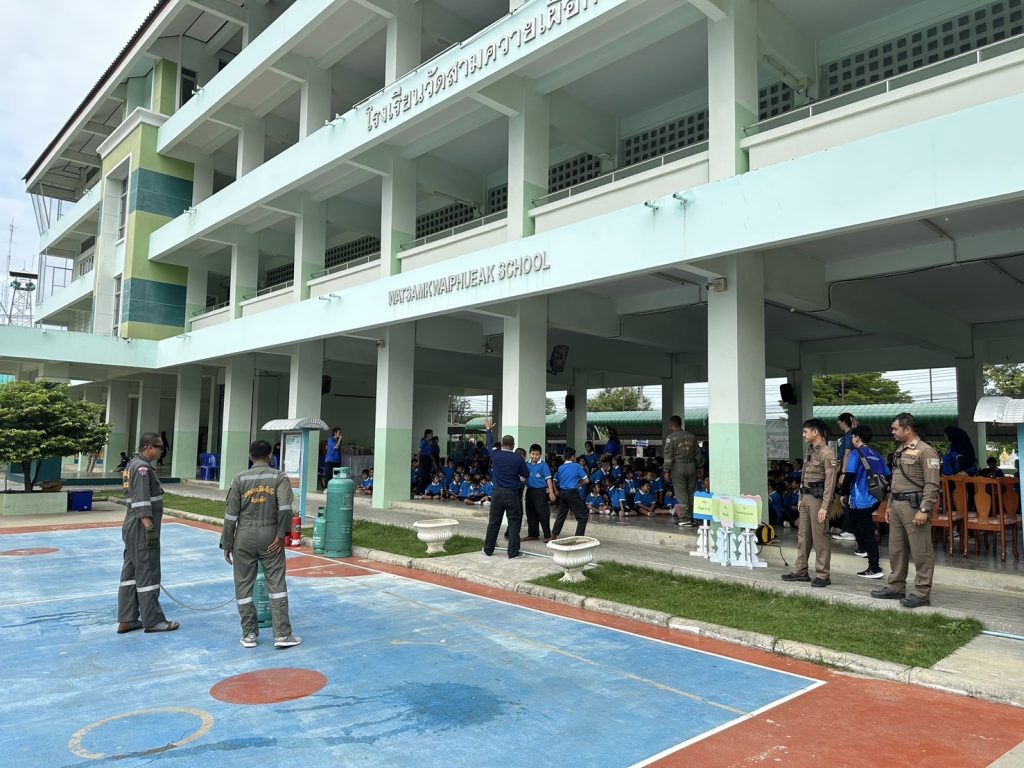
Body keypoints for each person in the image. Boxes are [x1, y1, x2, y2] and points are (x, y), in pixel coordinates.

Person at [221, 440, 301, 648]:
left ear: (250, 456)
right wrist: (281, 535)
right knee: (277, 585)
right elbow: (285, 508)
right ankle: (282, 635)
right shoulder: (279, 477)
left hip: (243, 536)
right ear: (270, 455)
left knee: (243, 586)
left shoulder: (239, 479)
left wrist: (227, 542)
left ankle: (249, 634)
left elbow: (231, 515)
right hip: (270, 535)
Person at [872, 413, 940, 608]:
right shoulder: (900, 450)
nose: (892, 432)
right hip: (897, 505)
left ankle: (921, 592)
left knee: (921, 551)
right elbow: (896, 481)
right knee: (897, 549)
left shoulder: (926, 451)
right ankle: (896, 586)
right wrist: (890, 505)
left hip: (914, 507)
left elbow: (932, 484)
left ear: (907, 429)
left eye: (895, 429)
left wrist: (924, 509)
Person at [117, 433, 178, 635]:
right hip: (141, 527)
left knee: (130, 573)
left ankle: (127, 618)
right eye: (160, 448)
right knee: (148, 571)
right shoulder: (142, 468)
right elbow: (141, 500)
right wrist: (149, 528)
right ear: (149, 447)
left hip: (132, 526)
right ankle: (153, 621)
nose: (162, 451)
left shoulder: (133, 465)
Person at [782, 418, 838, 588]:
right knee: (803, 536)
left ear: (815, 432)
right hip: (806, 497)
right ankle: (801, 570)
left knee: (820, 537)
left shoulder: (827, 453)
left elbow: (830, 482)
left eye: (806, 431)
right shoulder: (810, 451)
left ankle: (823, 574)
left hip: (818, 500)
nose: (803, 434)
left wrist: (825, 506)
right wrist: (800, 497)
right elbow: (804, 476)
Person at [842, 425, 890, 579]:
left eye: (852, 437)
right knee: (856, 520)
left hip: (860, 499)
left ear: (857, 438)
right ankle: (862, 548)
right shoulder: (877, 454)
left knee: (867, 531)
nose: (851, 439)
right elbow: (888, 474)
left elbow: (849, 475)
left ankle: (874, 567)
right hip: (875, 498)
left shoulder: (855, 453)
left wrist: (842, 493)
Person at [481, 419, 529, 558]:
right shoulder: (518, 458)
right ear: (513, 445)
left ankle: (488, 550)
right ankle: (512, 552)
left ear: (501, 444)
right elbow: (526, 474)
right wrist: (519, 480)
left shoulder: (495, 454)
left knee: (494, 522)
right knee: (513, 522)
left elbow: (490, 444)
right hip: (512, 494)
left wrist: (488, 430)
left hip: (497, 494)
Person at [663, 415, 703, 527]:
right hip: (692, 466)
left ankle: (685, 518)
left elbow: (668, 456)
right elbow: (698, 454)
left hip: (678, 467)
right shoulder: (692, 436)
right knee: (692, 491)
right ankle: (694, 517)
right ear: (680, 424)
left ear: (671, 425)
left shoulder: (671, 438)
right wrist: (700, 467)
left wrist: (666, 470)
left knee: (681, 492)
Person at [552, 447, 590, 538]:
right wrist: (579, 482)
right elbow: (587, 480)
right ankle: (578, 538)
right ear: (572, 456)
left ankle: (553, 535)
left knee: (561, 515)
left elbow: (558, 480)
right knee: (583, 517)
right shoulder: (577, 466)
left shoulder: (561, 467)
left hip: (562, 493)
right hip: (572, 492)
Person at [524, 444, 556, 541]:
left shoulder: (543, 465)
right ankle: (533, 534)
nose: (535, 456)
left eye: (537, 454)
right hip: (530, 491)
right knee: (530, 513)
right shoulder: (527, 464)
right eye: (533, 454)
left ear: (540, 455)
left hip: (540, 492)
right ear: (530, 453)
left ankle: (547, 535)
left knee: (543, 513)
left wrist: (551, 492)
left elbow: (548, 479)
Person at [417, 429, 435, 495]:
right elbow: (419, 452)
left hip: (428, 459)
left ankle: (423, 491)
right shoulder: (424, 441)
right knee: (423, 477)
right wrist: (418, 461)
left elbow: (428, 453)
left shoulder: (429, 443)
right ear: (427, 434)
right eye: (431, 434)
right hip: (423, 459)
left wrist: (433, 460)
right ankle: (417, 492)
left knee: (427, 476)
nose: (432, 435)